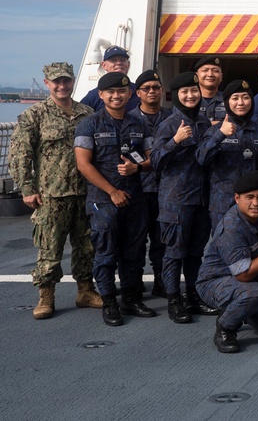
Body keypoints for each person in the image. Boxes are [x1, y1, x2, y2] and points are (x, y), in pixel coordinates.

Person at [9, 61, 101, 319]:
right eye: (56, 81)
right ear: (47, 83)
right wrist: (27, 188)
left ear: (73, 82)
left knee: (87, 246)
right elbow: (19, 155)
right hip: (50, 195)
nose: (62, 86)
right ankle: (46, 296)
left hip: (84, 191)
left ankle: (85, 291)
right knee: (50, 249)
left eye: (66, 81)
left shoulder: (88, 113)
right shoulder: (34, 115)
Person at [74, 72, 156, 325]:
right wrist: (112, 191)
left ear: (130, 94)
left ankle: (131, 298)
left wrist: (138, 168)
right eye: (110, 92)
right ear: (101, 95)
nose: (116, 95)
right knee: (106, 252)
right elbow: (83, 164)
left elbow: (151, 158)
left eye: (121, 91)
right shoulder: (89, 124)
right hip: (104, 200)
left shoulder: (138, 124)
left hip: (135, 198)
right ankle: (109, 302)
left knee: (134, 252)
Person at [195, 170, 258, 353]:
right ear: (236, 198)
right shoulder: (232, 226)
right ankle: (225, 328)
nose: (256, 203)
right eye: (249, 197)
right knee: (253, 294)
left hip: (251, 280)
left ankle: (243, 311)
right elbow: (243, 275)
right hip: (216, 281)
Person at [151, 71, 215, 323]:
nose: (191, 95)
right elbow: (155, 160)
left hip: (201, 199)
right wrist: (175, 141)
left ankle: (194, 297)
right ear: (176, 95)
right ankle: (174, 301)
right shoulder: (168, 124)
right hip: (175, 200)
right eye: (185, 92)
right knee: (174, 253)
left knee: (195, 252)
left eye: (194, 91)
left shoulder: (203, 122)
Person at [197, 80, 258, 231]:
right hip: (223, 203)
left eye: (245, 98)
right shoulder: (215, 131)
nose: (241, 103)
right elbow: (201, 159)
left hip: (255, 204)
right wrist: (220, 135)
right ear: (227, 102)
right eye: (235, 98)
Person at [134, 69, 171, 297]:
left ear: (162, 91)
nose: (151, 92)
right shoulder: (129, 119)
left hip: (167, 189)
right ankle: (134, 284)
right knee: (135, 240)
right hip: (138, 188)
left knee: (162, 240)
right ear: (138, 93)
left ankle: (161, 281)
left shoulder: (173, 117)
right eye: (146, 88)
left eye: (156, 87)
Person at [80, 46, 140, 113]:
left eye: (122, 60)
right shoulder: (94, 96)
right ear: (104, 65)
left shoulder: (139, 92)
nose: (119, 63)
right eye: (113, 60)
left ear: (128, 64)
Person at [194, 55, 226, 123]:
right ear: (196, 75)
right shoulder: (188, 100)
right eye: (205, 70)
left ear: (221, 76)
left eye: (215, 71)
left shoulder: (229, 100)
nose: (210, 74)